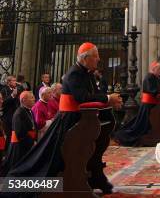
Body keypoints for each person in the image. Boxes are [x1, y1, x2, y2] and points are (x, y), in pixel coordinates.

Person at [8, 42, 122, 194]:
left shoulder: (86, 73)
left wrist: (108, 102)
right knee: (53, 160)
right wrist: (108, 99)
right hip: (71, 122)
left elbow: (93, 96)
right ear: (86, 58)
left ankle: (89, 177)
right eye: (96, 56)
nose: (99, 59)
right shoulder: (74, 73)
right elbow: (83, 97)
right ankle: (53, 184)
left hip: (82, 119)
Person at [115, 61, 160, 146]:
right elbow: (153, 91)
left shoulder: (154, 77)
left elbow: (159, 89)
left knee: (139, 124)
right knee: (138, 127)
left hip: (152, 105)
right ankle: (122, 136)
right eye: (159, 69)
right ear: (154, 69)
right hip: (148, 106)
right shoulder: (149, 77)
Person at [1, 91, 36, 174]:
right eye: (31, 97)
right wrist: (31, 142)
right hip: (20, 146)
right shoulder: (19, 113)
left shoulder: (28, 111)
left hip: (27, 144)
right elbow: (20, 133)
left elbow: (33, 127)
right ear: (23, 100)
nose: (34, 99)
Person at [1, 76, 23, 147]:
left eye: (15, 80)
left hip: (15, 115)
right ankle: (6, 153)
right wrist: (12, 96)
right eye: (13, 81)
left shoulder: (17, 89)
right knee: (8, 135)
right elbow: (3, 103)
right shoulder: (4, 90)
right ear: (8, 82)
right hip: (7, 116)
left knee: (15, 134)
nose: (15, 82)